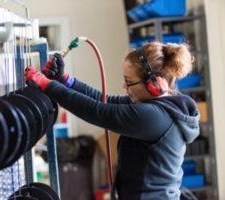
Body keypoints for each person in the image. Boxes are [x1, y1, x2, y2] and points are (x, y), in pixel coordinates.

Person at [25, 42, 200, 200]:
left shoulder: (155, 117)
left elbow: (99, 112)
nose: (125, 87)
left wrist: (46, 84)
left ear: (155, 84)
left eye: (129, 82)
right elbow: (105, 101)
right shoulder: (153, 105)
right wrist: (65, 80)